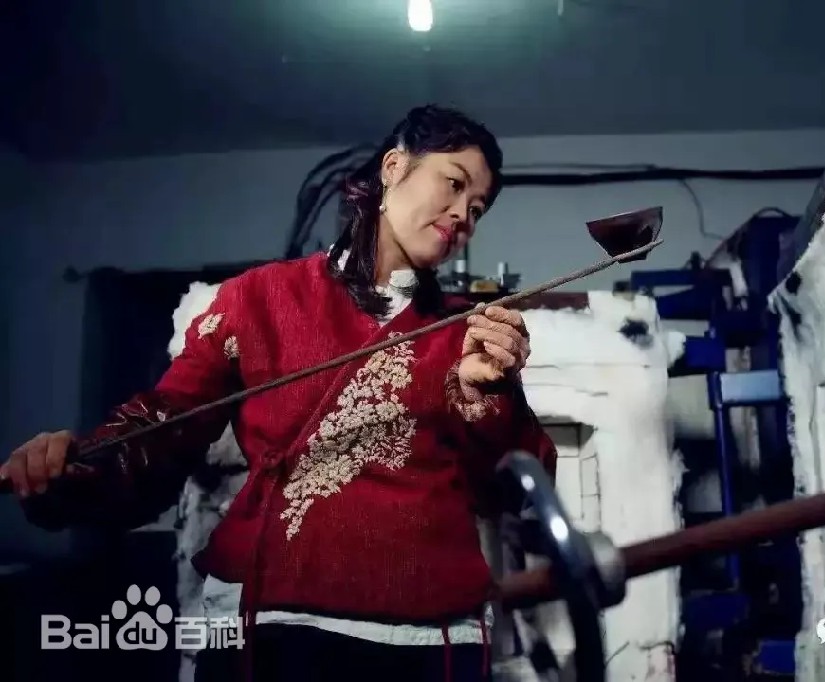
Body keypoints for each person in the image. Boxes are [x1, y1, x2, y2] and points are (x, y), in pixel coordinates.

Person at [1, 104, 558, 682]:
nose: (464, 215)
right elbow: (167, 426)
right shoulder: (257, 298)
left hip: (428, 634)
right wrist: (72, 468)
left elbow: (519, 487)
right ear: (394, 167)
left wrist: (489, 395)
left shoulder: (467, 331)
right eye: (454, 184)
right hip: (270, 621)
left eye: (478, 208)